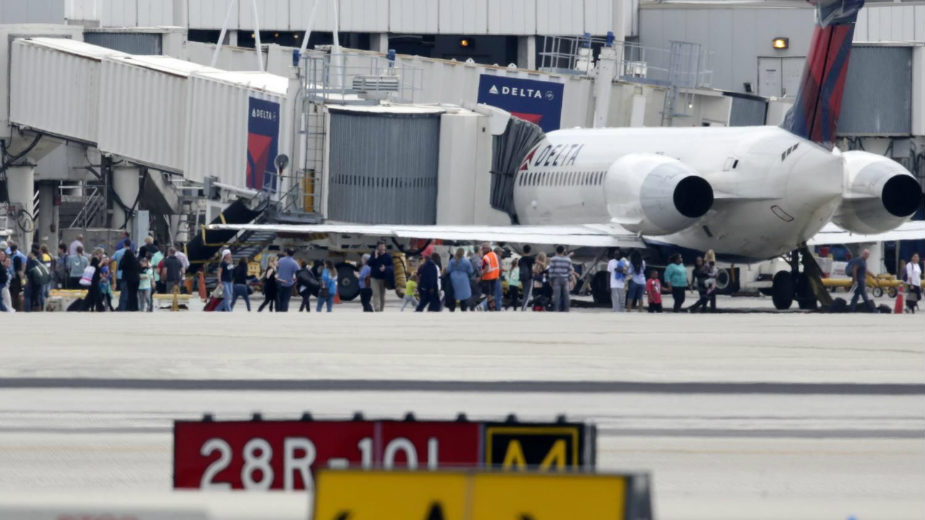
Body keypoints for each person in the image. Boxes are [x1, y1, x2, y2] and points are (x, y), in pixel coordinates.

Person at [548, 245, 574, 312]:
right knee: (566, 295)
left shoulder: (553, 259)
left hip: (556, 279)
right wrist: (570, 279)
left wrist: (550, 279)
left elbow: (551, 270)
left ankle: (556, 309)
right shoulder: (568, 259)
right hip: (565, 279)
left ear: (556, 251)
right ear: (563, 251)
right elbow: (570, 270)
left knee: (557, 295)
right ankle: (566, 309)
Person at [846, 248, 873, 312]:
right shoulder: (859, 260)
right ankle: (871, 309)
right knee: (864, 295)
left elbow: (866, 270)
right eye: (865, 254)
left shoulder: (864, 261)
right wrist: (855, 280)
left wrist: (874, 276)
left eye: (867, 254)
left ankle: (851, 309)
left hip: (861, 280)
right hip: (860, 281)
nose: (866, 255)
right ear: (863, 254)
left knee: (856, 296)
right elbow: (854, 270)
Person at [368, 241, 392, 312]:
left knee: (382, 295)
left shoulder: (388, 256)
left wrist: (385, 268)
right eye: (380, 246)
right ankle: (377, 309)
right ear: (377, 247)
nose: (381, 248)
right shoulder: (374, 254)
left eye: (383, 246)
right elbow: (369, 263)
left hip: (383, 278)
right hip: (374, 278)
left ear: (385, 247)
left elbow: (392, 267)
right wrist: (375, 257)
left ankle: (381, 309)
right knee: (376, 293)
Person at [480, 243, 502, 311]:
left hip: (487, 278)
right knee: (492, 295)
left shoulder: (485, 257)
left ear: (485, 249)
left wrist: (480, 275)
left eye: (483, 249)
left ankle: (491, 308)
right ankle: (493, 308)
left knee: (488, 295)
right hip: (495, 277)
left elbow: (485, 269)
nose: (482, 250)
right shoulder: (494, 255)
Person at [120, 247, 141, 311]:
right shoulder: (136, 260)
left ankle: (129, 307)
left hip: (129, 279)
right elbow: (139, 268)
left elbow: (120, 267)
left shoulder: (125, 261)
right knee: (135, 293)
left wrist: (122, 259)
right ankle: (135, 307)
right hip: (136, 279)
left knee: (130, 294)